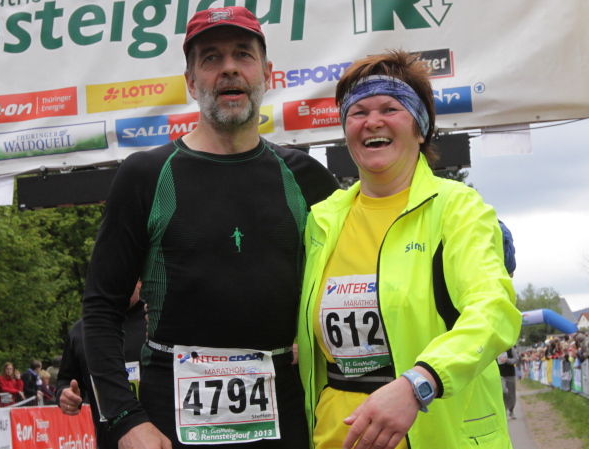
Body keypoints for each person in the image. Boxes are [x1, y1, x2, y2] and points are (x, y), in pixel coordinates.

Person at [82, 6, 338, 449]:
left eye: (243, 54)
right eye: (211, 58)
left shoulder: (307, 178)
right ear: (190, 81)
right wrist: (124, 420)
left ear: (267, 74)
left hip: (287, 413)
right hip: (168, 420)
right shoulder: (145, 175)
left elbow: (343, 288)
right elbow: (101, 308)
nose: (229, 68)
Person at [297, 49, 522, 449]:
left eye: (390, 108)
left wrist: (420, 382)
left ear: (420, 128)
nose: (373, 122)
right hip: (337, 436)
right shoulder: (321, 220)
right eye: (358, 112)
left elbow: (493, 311)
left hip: (438, 433)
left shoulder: (457, 208)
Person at [57, 280, 146, 449]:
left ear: (139, 282)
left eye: (125, 277)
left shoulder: (160, 324)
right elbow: (65, 380)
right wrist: (65, 395)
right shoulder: (80, 331)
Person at [497, 220, 519, 419]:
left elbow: (516, 358)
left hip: (508, 372)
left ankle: (510, 410)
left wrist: (508, 360)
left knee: (510, 394)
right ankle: (506, 410)